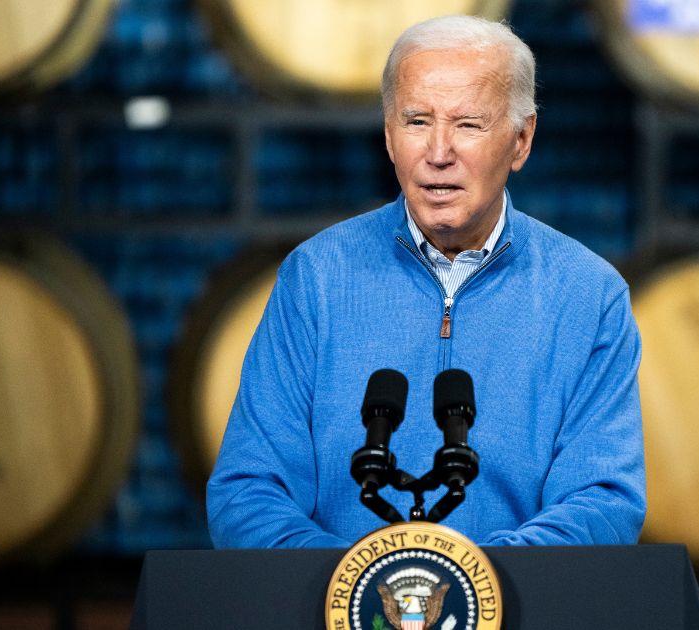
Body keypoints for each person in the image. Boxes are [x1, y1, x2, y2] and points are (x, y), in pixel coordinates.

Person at [206, 15, 645, 548]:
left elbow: (603, 501)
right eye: (417, 122)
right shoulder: (316, 277)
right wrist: (367, 586)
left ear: (522, 140)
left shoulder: (589, 295)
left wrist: (467, 587)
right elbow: (248, 492)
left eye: (468, 124)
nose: (439, 153)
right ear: (389, 137)